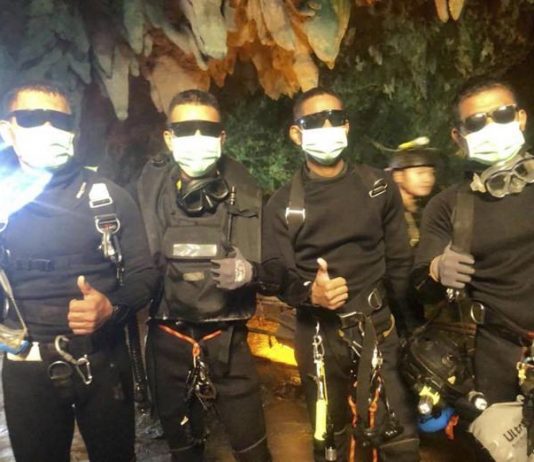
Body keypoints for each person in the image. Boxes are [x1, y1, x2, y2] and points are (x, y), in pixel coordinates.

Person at [0, 81, 159, 462]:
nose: (48, 129)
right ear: (8, 130)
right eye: (32, 118)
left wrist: (112, 307)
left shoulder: (109, 198)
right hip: (26, 367)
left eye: (60, 121)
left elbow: (145, 275)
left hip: (103, 361)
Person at [263, 87, 419, 462]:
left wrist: (412, 325)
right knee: (331, 439)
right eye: (314, 121)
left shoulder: (378, 186)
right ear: (296, 133)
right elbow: (273, 274)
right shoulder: (282, 204)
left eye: (335, 118)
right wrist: (309, 293)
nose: (327, 127)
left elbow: (399, 261)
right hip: (319, 337)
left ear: (346, 127)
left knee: (399, 439)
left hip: (378, 327)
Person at [136, 89, 271, 462]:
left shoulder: (247, 191)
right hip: (168, 338)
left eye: (207, 129)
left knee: (254, 451)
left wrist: (252, 271)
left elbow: (277, 269)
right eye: (185, 129)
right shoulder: (148, 191)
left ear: (222, 137)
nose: (197, 139)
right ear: (169, 137)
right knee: (184, 452)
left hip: (228, 339)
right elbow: (136, 267)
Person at [412, 77, 534, 459]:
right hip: (498, 357)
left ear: (521, 118)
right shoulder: (448, 206)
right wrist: (436, 269)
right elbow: (419, 284)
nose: (491, 127)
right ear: (458, 136)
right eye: (476, 122)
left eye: (502, 115)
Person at [388, 138, 437, 247]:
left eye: (432, 173)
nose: (428, 179)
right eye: (420, 173)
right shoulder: (387, 214)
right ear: (398, 176)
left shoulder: (425, 210)